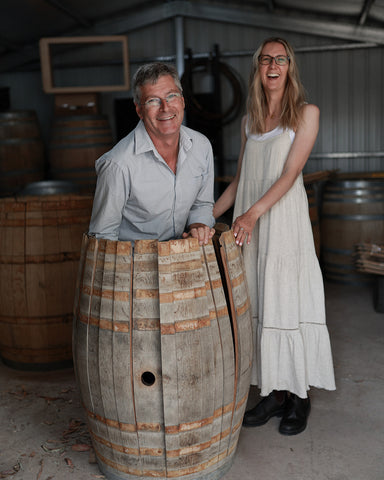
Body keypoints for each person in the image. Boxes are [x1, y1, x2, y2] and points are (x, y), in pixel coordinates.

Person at [213, 37, 335, 435]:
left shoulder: (306, 114)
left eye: (280, 59)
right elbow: (240, 181)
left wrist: (249, 215)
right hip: (252, 225)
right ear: (258, 68)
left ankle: (299, 397)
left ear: (289, 68)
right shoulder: (249, 121)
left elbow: (289, 175)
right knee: (262, 301)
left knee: (288, 300)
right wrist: (202, 217)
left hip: (281, 222)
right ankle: (273, 393)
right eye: (266, 58)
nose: (273, 65)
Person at [88, 62, 215, 245]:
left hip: (186, 260)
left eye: (171, 96)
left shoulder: (201, 146)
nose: (165, 107)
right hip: (136, 267)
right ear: (139, 109)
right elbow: (103, 237)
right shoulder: (118, 164)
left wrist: (197, 225)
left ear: (182, 101)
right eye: (153, 100)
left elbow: (202, 204)